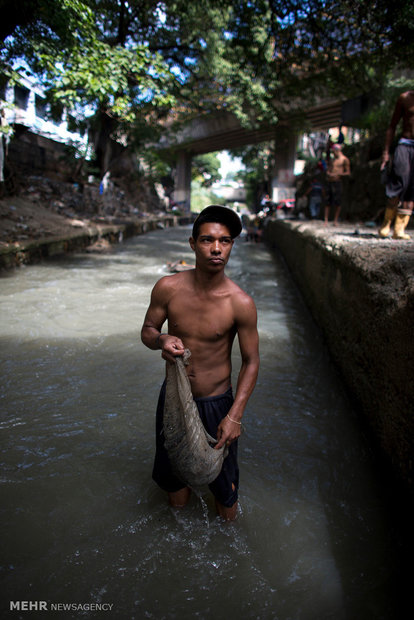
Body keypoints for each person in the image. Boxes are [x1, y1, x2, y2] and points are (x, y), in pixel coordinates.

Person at [141, 205, 260, 521]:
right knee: (173, 480)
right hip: (175, 399)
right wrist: (161, 340)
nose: (217, 248)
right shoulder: (168, 288)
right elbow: (148, 331)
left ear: (232, 245)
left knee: (225, 491)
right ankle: (178, 546)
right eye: (207, 240)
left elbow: (251, 361)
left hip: (217, 405)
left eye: (225, 240)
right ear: (193, 244)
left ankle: (228, 550)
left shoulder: (241, 302)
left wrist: (235, 416)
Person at [379, 91, 414, 240]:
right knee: (398, 181)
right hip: (405, 145)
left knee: (412, 187)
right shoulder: (405, 98)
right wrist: (386, 152)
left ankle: (399, 229)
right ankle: (386, 223)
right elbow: (392, 126)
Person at [325, 143, 351, 225]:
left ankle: (335, 220)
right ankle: (326, 220)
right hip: (330, 181)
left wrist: (337, 175)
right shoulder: (332, 160)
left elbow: (348, 172)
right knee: (327, 201)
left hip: (337, 181)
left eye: (334, 152)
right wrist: (329, 173)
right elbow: (328, 169)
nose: (333, 153)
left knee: (337, 201)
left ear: (337, 151)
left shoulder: (344, 159)